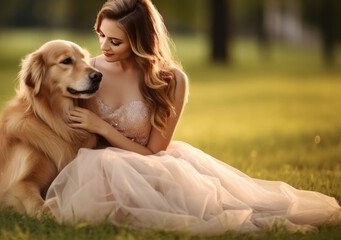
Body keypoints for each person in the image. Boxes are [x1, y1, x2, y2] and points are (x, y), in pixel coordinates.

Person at [44, 0, 341, 235]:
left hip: (151, 165)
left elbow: (155, 152)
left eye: (115, 42)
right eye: (101, 36)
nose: (103, 48)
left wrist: (101, 127)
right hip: (98, 170)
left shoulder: (171, 80)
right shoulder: (88, 73)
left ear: (139, 43)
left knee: (214, 212)